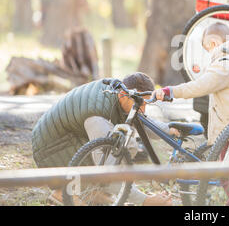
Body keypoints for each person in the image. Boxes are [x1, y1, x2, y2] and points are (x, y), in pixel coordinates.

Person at [152, 22, 229, 205]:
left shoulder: (224, 63)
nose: (208, 54)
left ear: (213, 43)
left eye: (207, 48)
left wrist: (170, 92)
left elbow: (199, 86)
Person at [31, 72, 176, 206]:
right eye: (141, 103)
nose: (143, 109)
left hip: (62, 136)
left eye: (146, 103)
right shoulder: (97, 119)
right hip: (51, 147)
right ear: (123, 95)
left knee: (122, 146)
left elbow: (141, 121)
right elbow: (106, 171)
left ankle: (91, 191)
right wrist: (146, 201)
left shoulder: (119, 90)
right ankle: (64, 193)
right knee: (114, 153)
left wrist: (169, 129)